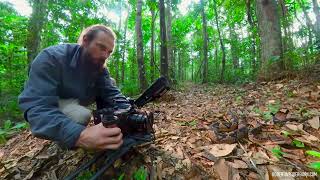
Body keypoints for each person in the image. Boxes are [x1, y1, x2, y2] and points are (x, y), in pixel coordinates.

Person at [18, 24, 130, 151]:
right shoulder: (51, 58)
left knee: (110, 82)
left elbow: (112, 93)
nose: (105, 56)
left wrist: (130, 110)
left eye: (109, 52)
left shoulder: (98, 66)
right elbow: (37, 108)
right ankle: (66, 144)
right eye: (101, 48)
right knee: (80, 115)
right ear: (86, 41)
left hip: (78, 100)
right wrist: (79, 135)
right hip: (54, 104)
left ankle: (106, 125)